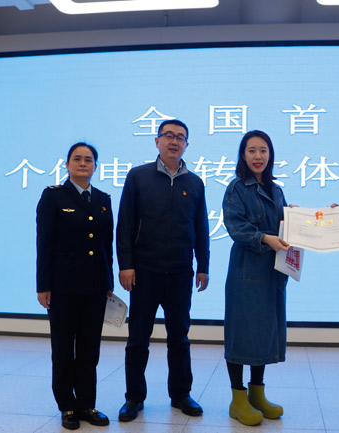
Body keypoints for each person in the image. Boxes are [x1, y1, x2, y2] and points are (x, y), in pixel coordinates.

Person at [116, 119, 210, 421]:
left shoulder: (195, 183)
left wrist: (203, 265)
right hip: (144, 272)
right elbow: (125, 224)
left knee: (179, 337)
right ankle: (134, 397)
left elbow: (201, 227)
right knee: (138, 338)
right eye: (168, 135)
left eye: (180, 137)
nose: (174, 141)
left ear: (186, 145)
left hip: (181, 272)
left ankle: (181, 394)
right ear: (157, 141)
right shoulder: (138, 176)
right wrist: (126, 265)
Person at [36, 142, 113, 431]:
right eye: (77, 159)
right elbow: (44, 244)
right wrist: (43, 285)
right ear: (67, 164)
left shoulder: (103, 199)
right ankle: (67, 405)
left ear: (95, 166)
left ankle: (87, 404)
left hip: (95, 287)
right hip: (62, 287)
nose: (83, 164)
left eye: (88, 160)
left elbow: (106, 245)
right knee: (63, 348)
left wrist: (108, 280)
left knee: (90, 349)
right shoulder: (53, 196)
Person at [222, 130, 290, 426]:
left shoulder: (276, 190)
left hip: (273, 271)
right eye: (252, 150)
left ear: (270, 154)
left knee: (264, 332)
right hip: (246, 270)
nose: (258, 156)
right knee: (241, 332)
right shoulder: (237, 188)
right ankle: (238, 399)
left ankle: (257, 394)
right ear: (243, 155)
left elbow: (286, 225)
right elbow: (235, 226)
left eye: (263, 150)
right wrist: (265, 237)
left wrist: (295, 221)